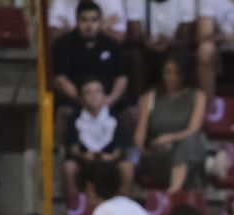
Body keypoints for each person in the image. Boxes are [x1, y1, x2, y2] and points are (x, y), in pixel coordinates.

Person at [51, 1, 134, 153]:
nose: (89, 25)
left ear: (101, 22)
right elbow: (60, 79)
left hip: (108, 102)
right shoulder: (63, 45)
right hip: (77, 102)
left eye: (94, 20)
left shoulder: (112, 45)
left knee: (130, 114)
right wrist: (83, 100)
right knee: (63, 113)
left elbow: (122, 78)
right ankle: (62, 158)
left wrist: (109, 100)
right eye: (84, 20)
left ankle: (126, 156)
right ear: (77, 21)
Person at [134, 52, 208, 192]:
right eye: (167, 72)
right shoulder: (150, 97)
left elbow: (194, 128)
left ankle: (174, 190)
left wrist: (170, 137)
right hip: (159, 152)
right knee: (191, 166)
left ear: (185, 74)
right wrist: (144, 148)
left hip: (184, 145)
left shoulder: (198, 96)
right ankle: (208, 167)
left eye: (177, 73)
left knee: (190, 142)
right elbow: (140, 133)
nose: (171, 77)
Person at [63, 78, 137, 199]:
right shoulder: (75, 118)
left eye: (97, 91)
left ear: (105, 95)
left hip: (110, 161)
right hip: (85, 162)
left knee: (127, 167)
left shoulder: (115, 118)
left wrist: (110, 157)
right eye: (88, 92)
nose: (93, 96)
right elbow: (73, 148)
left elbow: (120, 148)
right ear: (81, 98)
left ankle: (122, 202)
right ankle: (75, 206)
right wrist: (84, 156)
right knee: (69, 167)